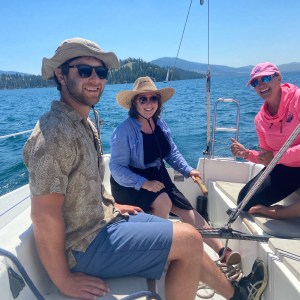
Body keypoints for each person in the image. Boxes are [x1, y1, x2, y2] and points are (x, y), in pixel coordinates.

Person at [23, 37, 267, 300]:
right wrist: (64, 280)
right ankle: (237, 294)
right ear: (60, 74)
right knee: (187, 238)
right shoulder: (55, 133)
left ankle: (238, 293)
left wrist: (111, 206)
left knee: (188, 234)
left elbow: (84, 186)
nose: (95, 79)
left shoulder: (83, 125)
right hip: (83, 246)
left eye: (101, 72)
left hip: (103, 221)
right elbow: (44, 215)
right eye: (84, 71)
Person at [109, 76, 241, 265]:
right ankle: (156, 252)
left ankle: (222, 251)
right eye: (142, 99)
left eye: (153, 98)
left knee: (187, 210)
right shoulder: (123, 131)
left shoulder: (160, 124)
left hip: (157, 174)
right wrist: (144, 183)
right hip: (130, 182)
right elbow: (116, 168)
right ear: (134, 103)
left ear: (158, 101)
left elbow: (171, 152)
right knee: (163, 201)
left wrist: (187, 170)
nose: (149, 104)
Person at [230, 62, 300, 219]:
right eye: (255, 83)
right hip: (285, 168)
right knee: (244, 202)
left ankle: (280, 213)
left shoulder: (298, 99)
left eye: (266, 78)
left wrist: (276, 157)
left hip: (284, 162)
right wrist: (247, 154)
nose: (261, 85)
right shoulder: (260, 119)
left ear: (278, 78)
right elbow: (268, 159)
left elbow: (273, 157)